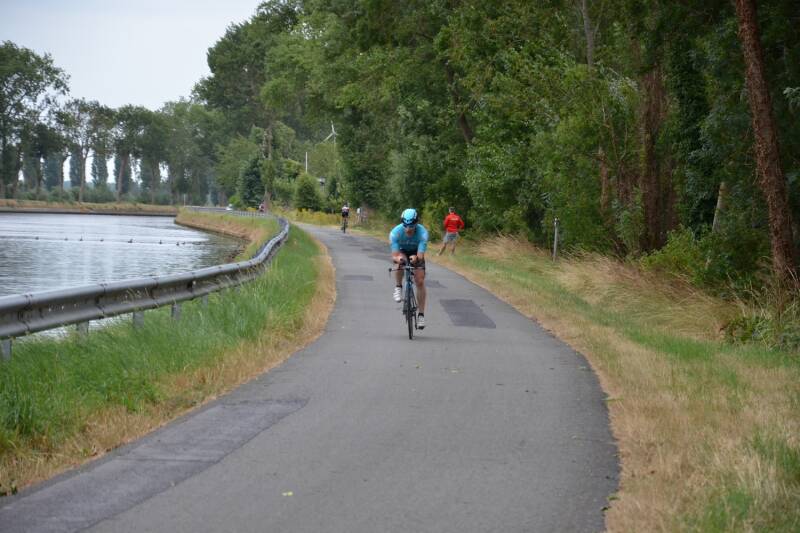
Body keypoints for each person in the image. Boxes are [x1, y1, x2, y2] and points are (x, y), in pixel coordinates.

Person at [390, 208, 429, 329]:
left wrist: (416, 259)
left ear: (416, 223)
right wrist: (399, 260)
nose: (408, 229)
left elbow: (420, 256)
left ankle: (421, 315)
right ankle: (398, 287)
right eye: (405, 226)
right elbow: (395, 256)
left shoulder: (423, 233)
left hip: (416, 253)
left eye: (411, 226)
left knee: (420, 281)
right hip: (402, 251)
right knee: (400, 263)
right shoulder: (395, 233)